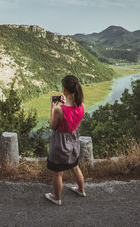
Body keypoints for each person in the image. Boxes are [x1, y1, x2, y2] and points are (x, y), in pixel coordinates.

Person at [44, 75, 86, 206]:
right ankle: (81, 190)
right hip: (73, 140)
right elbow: (71, 115)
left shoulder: (59, 110)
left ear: (64, 89)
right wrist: (65, 104)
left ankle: (57, 198)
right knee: (75, 166)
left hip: (60, 142)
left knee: (58, 172)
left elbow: (52, 125)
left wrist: (53, 107)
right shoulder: (81, 106)